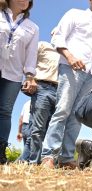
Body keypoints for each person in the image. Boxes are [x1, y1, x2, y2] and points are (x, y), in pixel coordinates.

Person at [41, 0, 92, 169]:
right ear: (91, 1)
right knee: (63, 110)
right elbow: (58, 36)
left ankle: (66, 158)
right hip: (72, 68)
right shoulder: (75, 14)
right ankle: (48, 155)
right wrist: (70, 57)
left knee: (76, 116)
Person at [0, 0, 38, 164]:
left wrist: (30, 75)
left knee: (5, 112)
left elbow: (31, 54)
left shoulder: (32, 27)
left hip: (13, 75)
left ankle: (0, 152)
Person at [28, 41, 60, 164]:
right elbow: (29, 61)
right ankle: (34, 162)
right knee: (38, 128)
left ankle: (49, 161)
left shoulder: (66, 53)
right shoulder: (42, 45)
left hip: (60, 91)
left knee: (55, 128)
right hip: (43, 87)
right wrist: (30, 79)